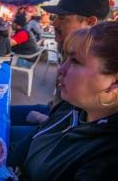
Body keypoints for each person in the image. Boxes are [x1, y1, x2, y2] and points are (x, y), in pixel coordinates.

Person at [8, 22, 118, 180]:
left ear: (113, 84)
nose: (61, 69)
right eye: (66, 59)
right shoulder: (74, 105)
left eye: (76, 61)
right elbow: (36, 136)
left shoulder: (107, 161)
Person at [10, 0, 110, 140]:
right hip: (54, 112)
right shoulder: (70, 48)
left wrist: (47, 122)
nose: (54, 23)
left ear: (90, 22)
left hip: (64, 132)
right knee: (0, 114)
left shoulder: (103, 64)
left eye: (63, 18)